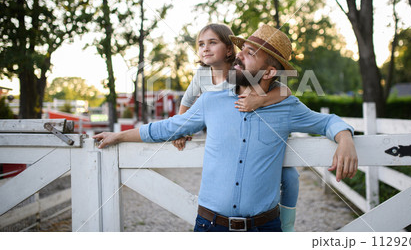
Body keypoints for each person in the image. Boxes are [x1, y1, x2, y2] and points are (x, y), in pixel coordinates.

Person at [94, 24, 358, 232]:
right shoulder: (210, 100)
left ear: (268, 73)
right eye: (241, 50)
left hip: (264, 230)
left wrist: (345, 138)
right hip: (210, 227)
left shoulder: (287, 107)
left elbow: (327, 121)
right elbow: (166, 128)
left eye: (250, 53)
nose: (238, 55)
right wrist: (118, 135)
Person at [172, 23, 300, 231]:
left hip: (260, 134)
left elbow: (285, 91)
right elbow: (186, 103)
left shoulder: (240, 70)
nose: (205, 48)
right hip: (228, 135)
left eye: (213, 43)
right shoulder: (202, 75)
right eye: (201, 44)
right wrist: (182, 128)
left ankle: (286, 225)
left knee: (290, 176)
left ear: (230, 50)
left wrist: (261, 101)